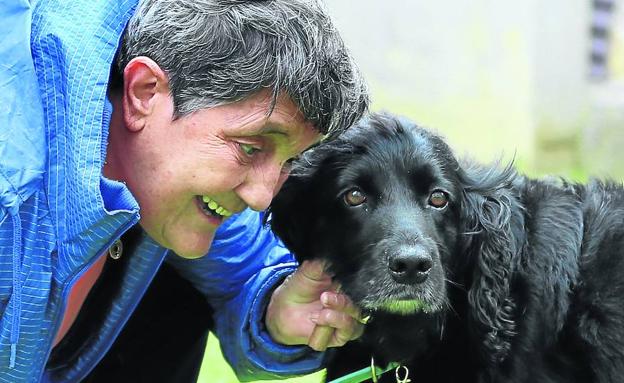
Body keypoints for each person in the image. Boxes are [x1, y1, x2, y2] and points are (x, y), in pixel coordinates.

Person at [0, 0, 369, 381]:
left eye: (290, 160)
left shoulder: (169, 170)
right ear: (144, 92)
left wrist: (276, 308)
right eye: (250, 148)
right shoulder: (11, 184)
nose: (261, 196)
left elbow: (243, 265)